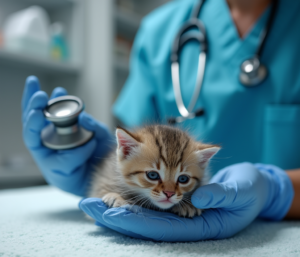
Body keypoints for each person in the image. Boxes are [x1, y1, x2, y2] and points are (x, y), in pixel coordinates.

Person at [22, 0, 300, 242]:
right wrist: (90, 165)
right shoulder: (160, 29)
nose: (168, 191)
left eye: (175, 181)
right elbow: (134, 143)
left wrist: (277, 190)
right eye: (157, 177)